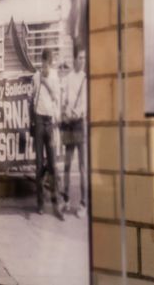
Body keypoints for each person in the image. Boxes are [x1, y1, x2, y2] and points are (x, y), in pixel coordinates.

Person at [32, 48, 64, 221]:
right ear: (41, 61)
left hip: (50, 123)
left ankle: (56, 203)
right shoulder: (35, 77)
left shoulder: (54, 76)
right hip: (38, 122)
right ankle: (40, 203)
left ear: (50, 63)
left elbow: (56, 97)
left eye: (47, 62)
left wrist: (46, 82)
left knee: (52, 164)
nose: (45, 64)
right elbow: (31, 98)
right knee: (38, 165)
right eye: (43, 61)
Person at [60, 47, 87, 218]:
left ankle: (83, 204)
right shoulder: (68, 78)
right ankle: (66, 200)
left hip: (80, 124)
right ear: (75, 59)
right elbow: (64, 100)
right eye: (80, 57)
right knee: (67, 165)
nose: (82, 60)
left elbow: (86, 103)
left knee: (83, 167)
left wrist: (79, 112)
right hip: (69, 125)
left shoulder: (86, 79)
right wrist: (67, 111)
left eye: (84, 58)